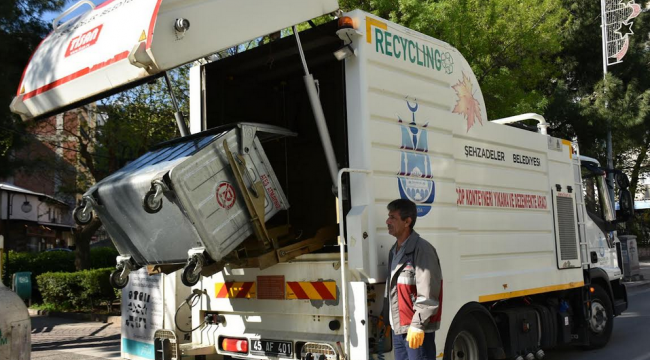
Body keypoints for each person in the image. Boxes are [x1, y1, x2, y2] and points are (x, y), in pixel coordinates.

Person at [382, 199, 443, 360]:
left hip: (415, 330)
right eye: (388, 217)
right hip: (400, 329)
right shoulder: (394, 251)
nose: (387, 221)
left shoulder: (422, 250)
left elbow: (428, 293)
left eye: (393, 217)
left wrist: (417, 326)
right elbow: (393, 289)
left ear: (407, 221)